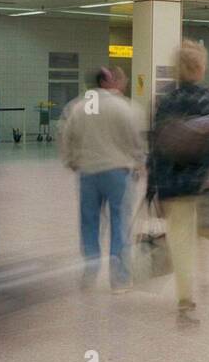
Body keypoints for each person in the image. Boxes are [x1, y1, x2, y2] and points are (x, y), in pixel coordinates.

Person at [148, 42, 209, 320]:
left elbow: (155, 144)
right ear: (201, 67)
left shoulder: (166, 100)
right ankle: (202, 274)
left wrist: (152, 186)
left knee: (179, 239)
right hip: (201, 182)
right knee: (205, 231)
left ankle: (185, 297)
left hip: (172, 183)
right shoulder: (208, 99)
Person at [58, 66, 146, 292]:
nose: (123, 82)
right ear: (108, 80)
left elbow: (65, 134)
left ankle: (90, 272)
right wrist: (139, 161)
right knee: (120, 224)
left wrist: (71, 160)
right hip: (118, 173)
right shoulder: (123, 107)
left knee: (89, 224)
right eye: (121, 78)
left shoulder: (78, 107)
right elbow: (135, 138)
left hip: (88, 173)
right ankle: (119, 280)